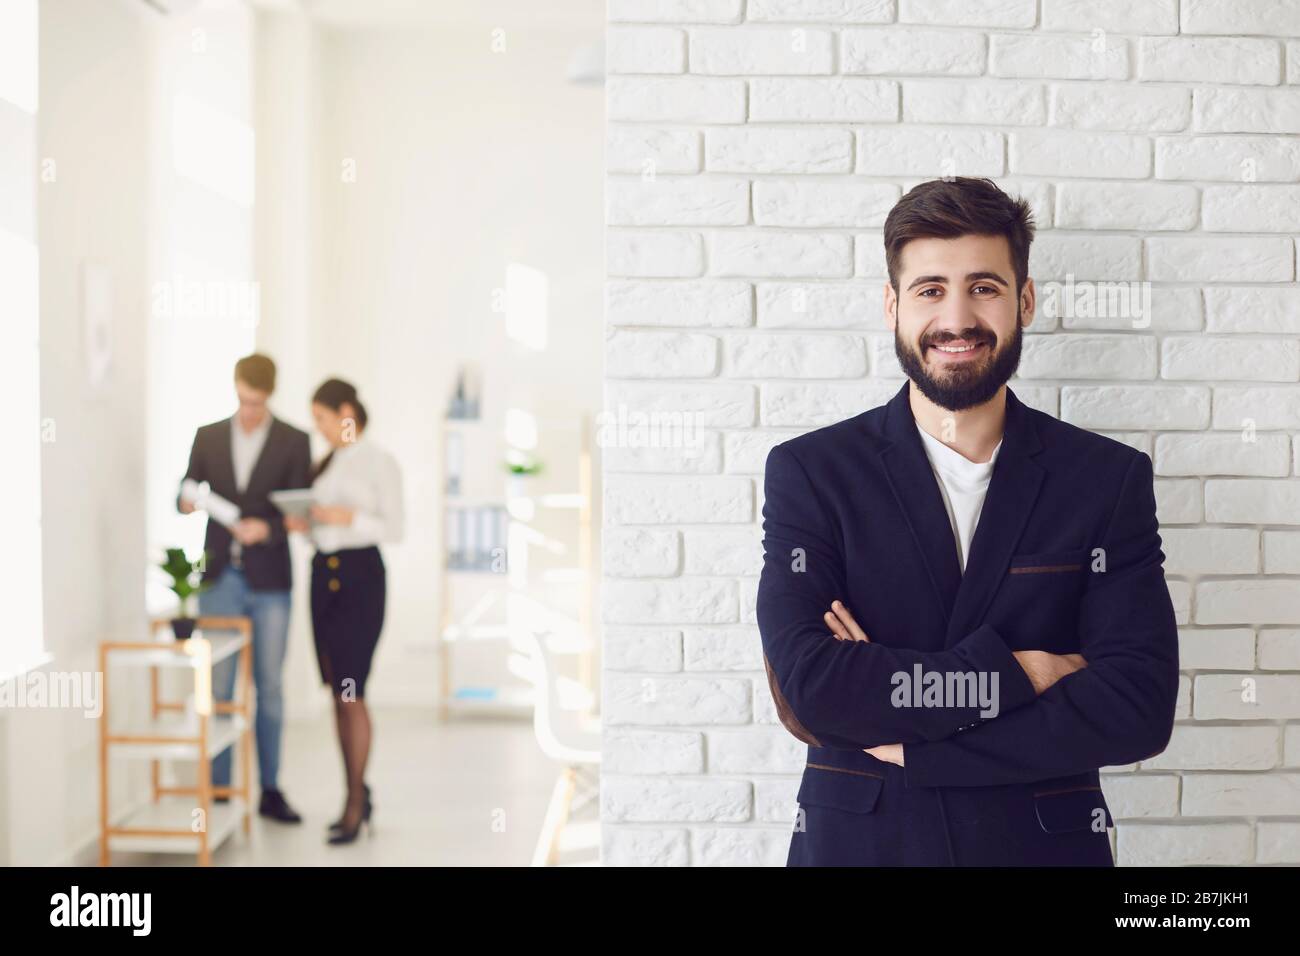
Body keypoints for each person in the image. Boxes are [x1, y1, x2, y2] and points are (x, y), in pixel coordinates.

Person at [757, 177, 1179, 866]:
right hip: (863, 848)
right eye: (930, 290)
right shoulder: (812, 472)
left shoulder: (1105, 479)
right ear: (893, 306)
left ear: (1025, 301)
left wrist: (912, 734)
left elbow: (1137, 707)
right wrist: (1022, 673)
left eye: (983, 287)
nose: (957, 319)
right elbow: (815, 691)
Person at [178, 353, 312, 823]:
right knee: (217, 684)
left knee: (269, 686)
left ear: (270, 396)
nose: (249, 411)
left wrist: (267, 529)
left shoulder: (294, 441)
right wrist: (187, 500)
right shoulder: (209, 436)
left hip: (270, 580)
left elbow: (299, 513)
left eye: (256, 403)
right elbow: (185, 491)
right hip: (220, 579)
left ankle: (270, 790)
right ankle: (218, 789)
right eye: (242, 400)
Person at [284, 378, 404, 845]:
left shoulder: (379, 462)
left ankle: (356, 801)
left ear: (346, 412)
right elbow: (323, 529)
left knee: (353, 693)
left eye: (322, 418)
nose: (318, 427)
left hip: (360, 580)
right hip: (324, 579)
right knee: (337, 692)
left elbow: (395, 528)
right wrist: (307, 524)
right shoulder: (326, 463)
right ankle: (354, 792)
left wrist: (348, 516)